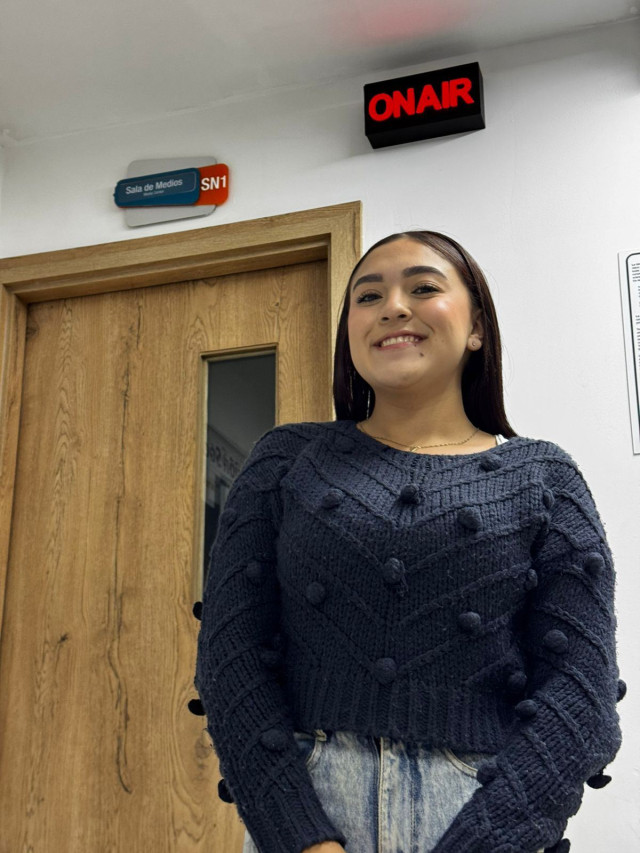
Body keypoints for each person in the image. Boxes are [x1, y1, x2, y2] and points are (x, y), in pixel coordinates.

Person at [193, 231, 625, 853]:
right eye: (368, 297)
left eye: (423, 288)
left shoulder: (543, 476)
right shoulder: (286, 460)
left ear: (477, 327)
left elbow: (581, 689)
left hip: (484, 807)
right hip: (309, 803)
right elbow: (229, 654)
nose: (393, 307)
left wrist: (486, 841)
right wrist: (301, 839)